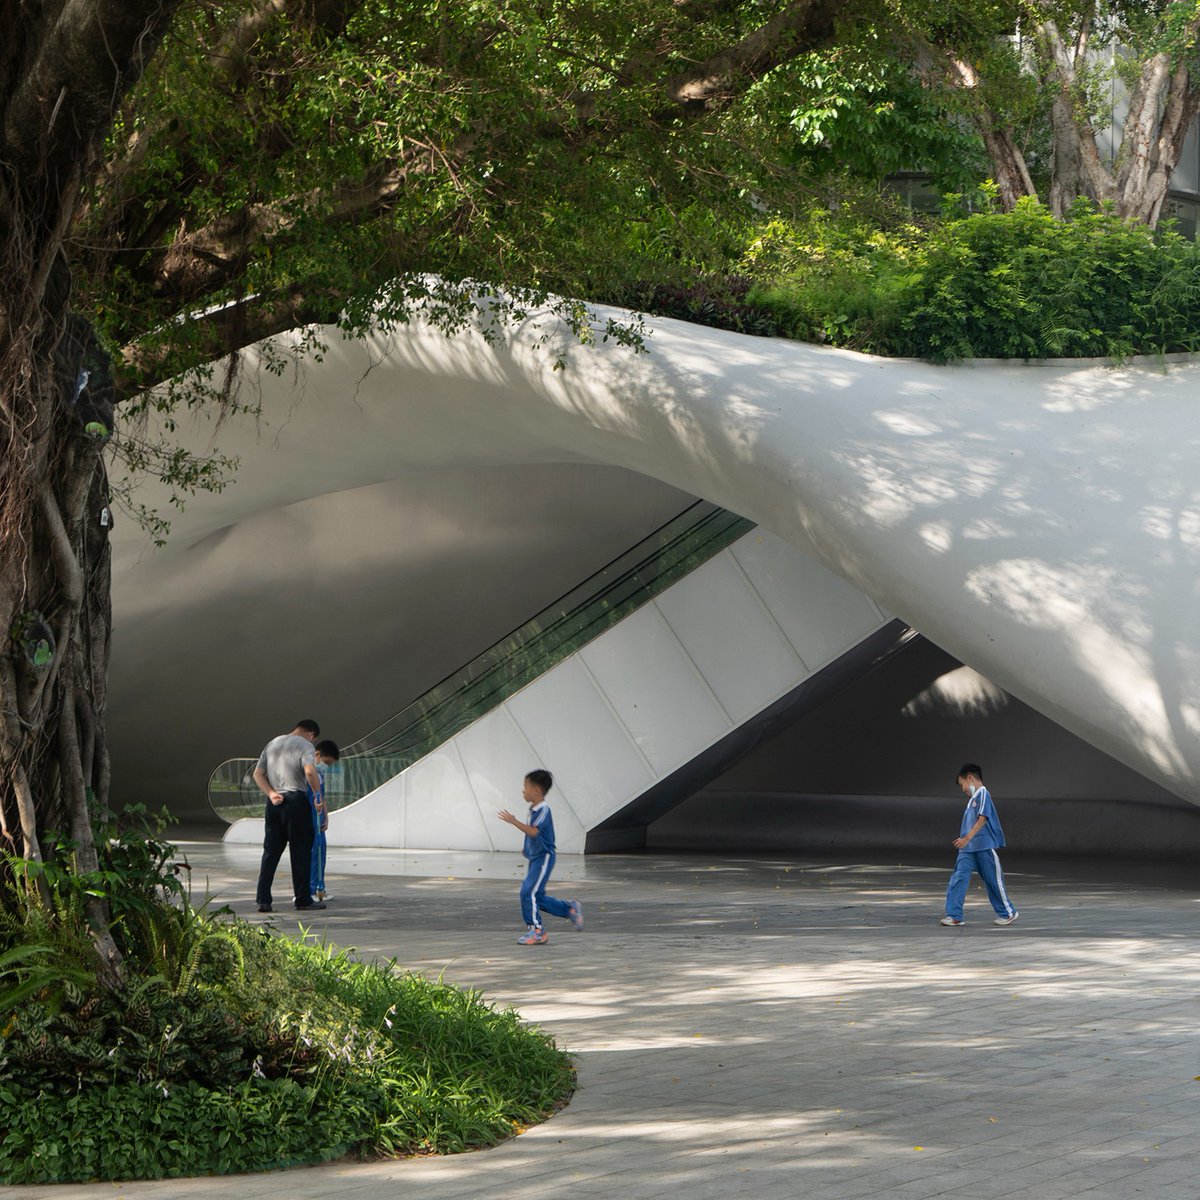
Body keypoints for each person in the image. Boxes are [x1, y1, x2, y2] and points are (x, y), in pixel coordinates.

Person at [498, 769, 582, 945]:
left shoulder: (543, 809)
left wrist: (513, 821)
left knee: (528, 892)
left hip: (544, 857)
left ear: (536, 790)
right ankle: (569, 909)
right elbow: (534, 834)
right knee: (538, 896)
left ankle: (537, 931)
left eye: (525, 786)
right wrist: (527, 849)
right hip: (536, 857)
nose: (523, 790)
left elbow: (534, 831)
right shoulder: (533, 809)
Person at [253, 719, 327, 913]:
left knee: (270, 852)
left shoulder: (273, 743)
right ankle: (302, 899)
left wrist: (270, 793)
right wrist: (318, 797)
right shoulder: (305, 745)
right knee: (300, 851)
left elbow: (258, 774)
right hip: (296, 801)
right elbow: (310, 772)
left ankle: (263, 899)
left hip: (274, 802)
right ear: (311, 734)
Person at [940, 762, 1018, 927]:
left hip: (983, 846)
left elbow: (983, 818)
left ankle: (1008, 912)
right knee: (958, 878)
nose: (963, 789)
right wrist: (966, 841)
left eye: (962, 785)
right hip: (967, 849)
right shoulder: (973, 799)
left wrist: (966, 838)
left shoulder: (983, 793)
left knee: (993, 881)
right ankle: (954, 915)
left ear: (970, 778)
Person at [309, 739, 339, 903]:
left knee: (321, 853)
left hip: (319, 819)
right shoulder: (309, 772)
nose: (326, 766)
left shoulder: (319, 774)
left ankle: (320, 887)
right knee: (313, 854)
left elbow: (322, 796)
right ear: (317, 755)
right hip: (310, 818)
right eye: (326, 762)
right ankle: (311, 889)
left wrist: (326, 816)